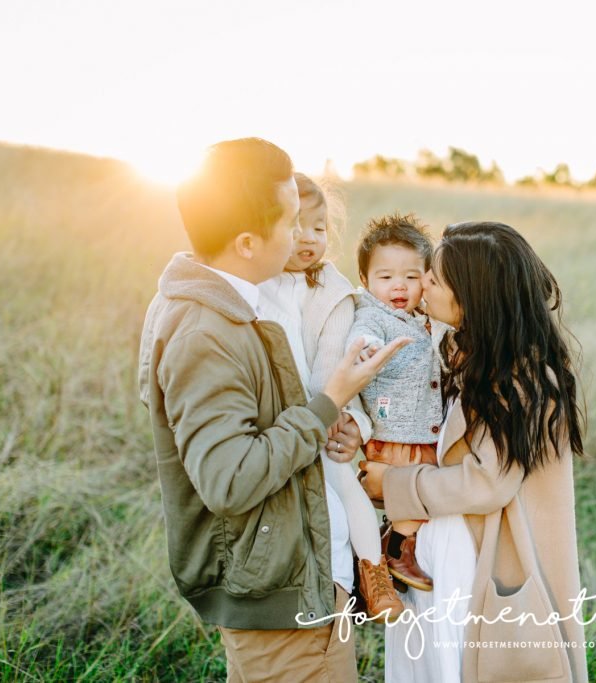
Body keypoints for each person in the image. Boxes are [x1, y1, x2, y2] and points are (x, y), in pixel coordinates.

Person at [137, 138, 407, 683]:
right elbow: (229, 479)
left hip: (302, 575)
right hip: (281, 599)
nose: (299, 237)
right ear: (245, 241)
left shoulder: (240, 305)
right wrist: (328, 400)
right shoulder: (206, 331)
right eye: (288, 222)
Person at [361, 221, 589, 682]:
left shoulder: (521, 377)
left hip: (480, 564)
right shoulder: (463, 354)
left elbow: (487, 482)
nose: (422, 282)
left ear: (473, 296)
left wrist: (393, 483)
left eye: (436, 278)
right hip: (443, 551)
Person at [256, 172, 404, 620]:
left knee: (344, 481)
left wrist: (339, 418)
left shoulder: (335, 292)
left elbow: (332, 368)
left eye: (319, 229)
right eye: (297, 227)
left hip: (328, 412)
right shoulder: (256, 287)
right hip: (277, 423)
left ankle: (373, 571)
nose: (308, 240)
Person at [346, 212, 444, 593]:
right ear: (366, 282)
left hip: (421, 431)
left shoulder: (423, 318)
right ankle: (397, 551)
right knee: (412, 492)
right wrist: (368, 348)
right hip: (396, 432)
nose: (399, 286)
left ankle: (397, 546)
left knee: (421, 491)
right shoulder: (375, 316)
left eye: (411, 276)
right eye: (386, 277)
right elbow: (363, 333)